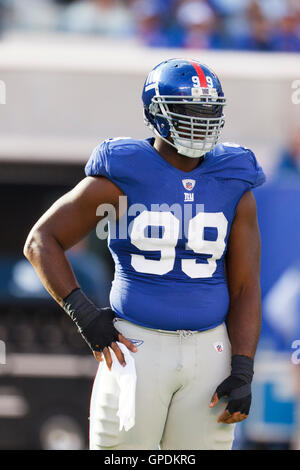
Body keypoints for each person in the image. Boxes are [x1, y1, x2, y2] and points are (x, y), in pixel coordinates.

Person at [24, 58, 266, 450]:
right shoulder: (124, 170)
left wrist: (243, 366)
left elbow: (244, 286)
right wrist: (84, 315)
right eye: (189, 111)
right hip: (137, 348)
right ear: (158, 112)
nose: (201, 121)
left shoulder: (235, 177)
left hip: (211, 351)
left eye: (209, 111)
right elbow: (41, 241)